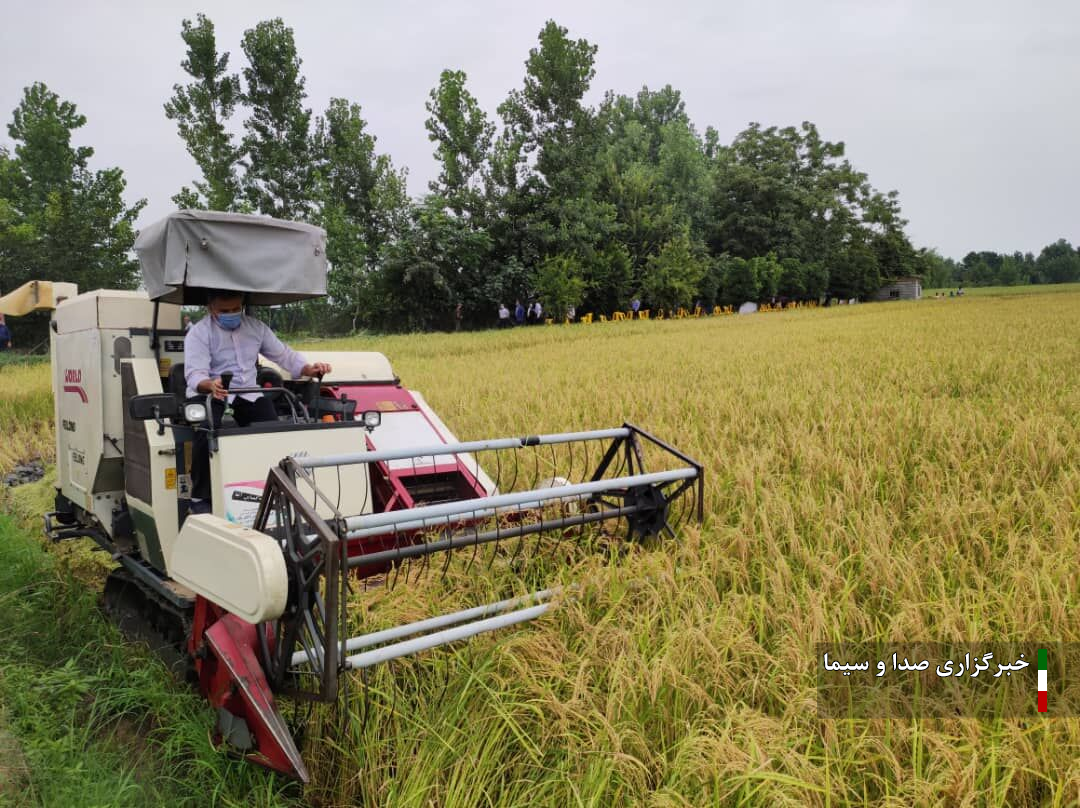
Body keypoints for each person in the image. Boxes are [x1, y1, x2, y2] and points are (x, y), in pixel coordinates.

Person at [184, 289, 331, 513]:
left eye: (235, 309)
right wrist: (210, 384)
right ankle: (200, 498)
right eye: (224, 311)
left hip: (249, 392)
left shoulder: (256, 327)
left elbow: (285, 356)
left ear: (242, 304)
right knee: (207, 432)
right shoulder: (199, 333)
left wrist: (309, 368)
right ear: (210, 308)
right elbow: (195, 374)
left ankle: (271, 488)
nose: (231, 314)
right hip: (211, 393)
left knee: (271, 432)